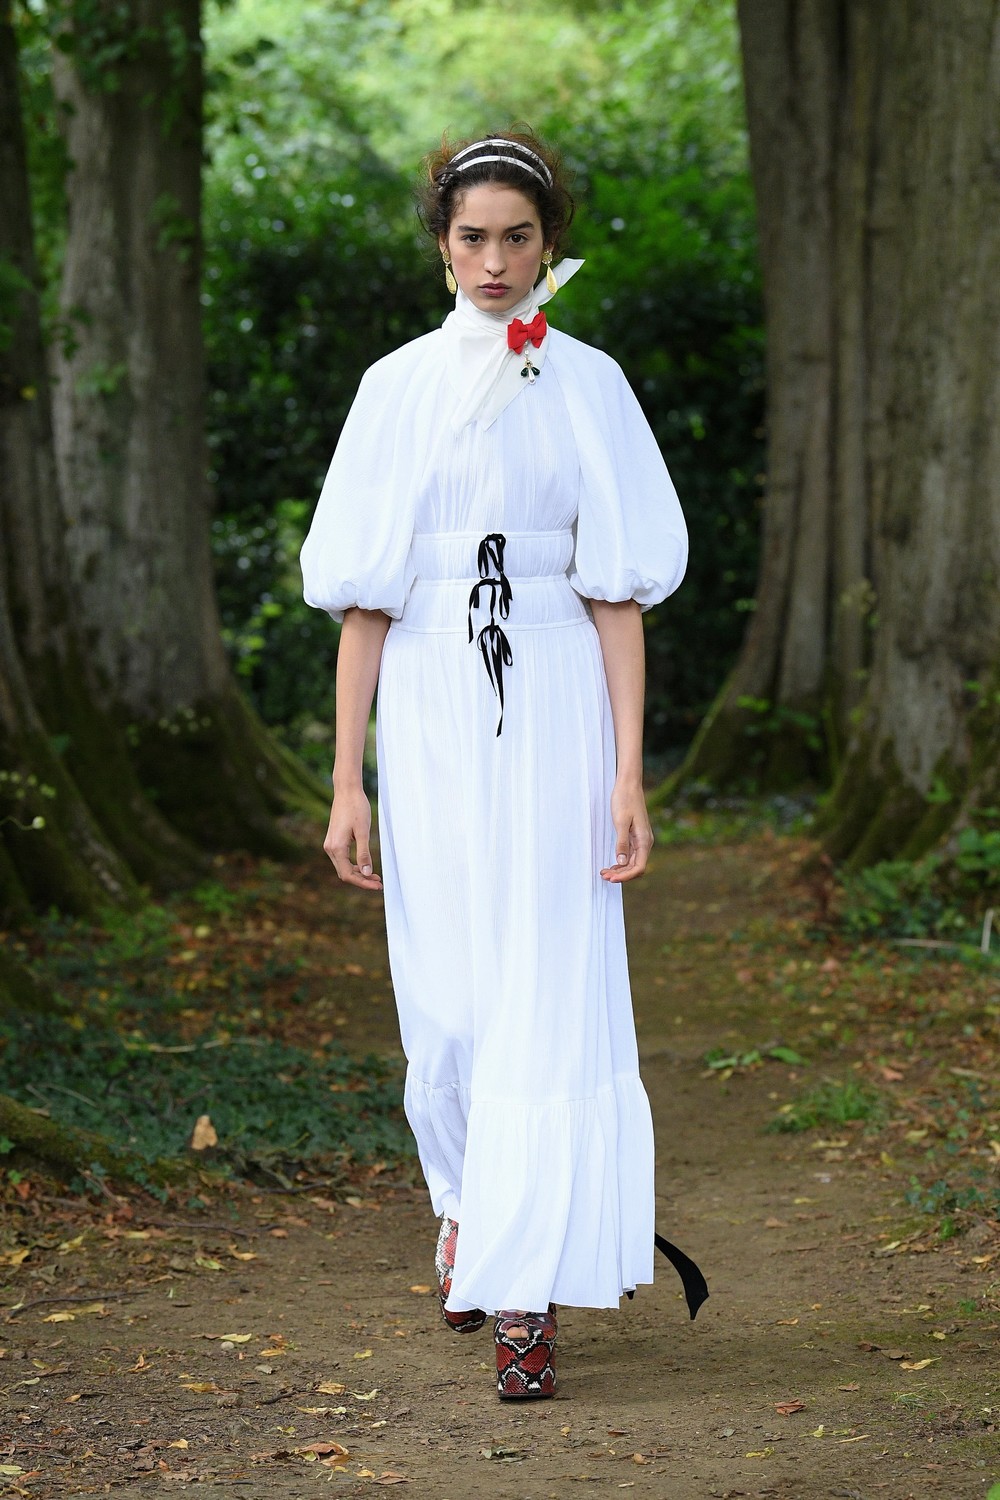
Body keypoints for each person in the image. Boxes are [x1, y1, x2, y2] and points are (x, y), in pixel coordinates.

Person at [300, 129, 706, 1402]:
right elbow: (365, 601)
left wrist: (627, 774)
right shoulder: (393, 388)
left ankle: (525, 1295)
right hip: (429, 699)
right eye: (471, 237)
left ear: (547, 245)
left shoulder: (588, 383)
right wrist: (346, 781)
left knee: (545, 985)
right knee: (449, 994)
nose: (493, 261)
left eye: (516, 238)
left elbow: (616, 596)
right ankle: (466, 1207)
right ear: (441, 245)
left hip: (555, 702)